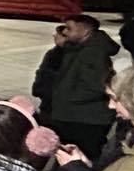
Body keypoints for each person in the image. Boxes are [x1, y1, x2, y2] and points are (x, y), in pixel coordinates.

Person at [43, 14, 121, 161]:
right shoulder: (82, 47)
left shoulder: (93, 52)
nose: (64, 32)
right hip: (77, 116)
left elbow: (97, 86)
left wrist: (67, 98)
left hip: (85, 119)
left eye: (69, 28)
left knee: (82, 157)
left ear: (84, 31)